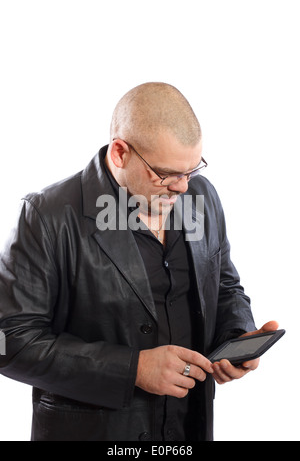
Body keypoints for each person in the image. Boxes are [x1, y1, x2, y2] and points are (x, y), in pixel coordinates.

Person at [0, 82, 277, 441]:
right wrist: (133, 369)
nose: (182, 187)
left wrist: (236, 336)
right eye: (166, 174)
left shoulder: (201, 195)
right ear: (119, 153)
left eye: (191, 171)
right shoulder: (47, 215)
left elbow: (224, 285)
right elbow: (12, 341)